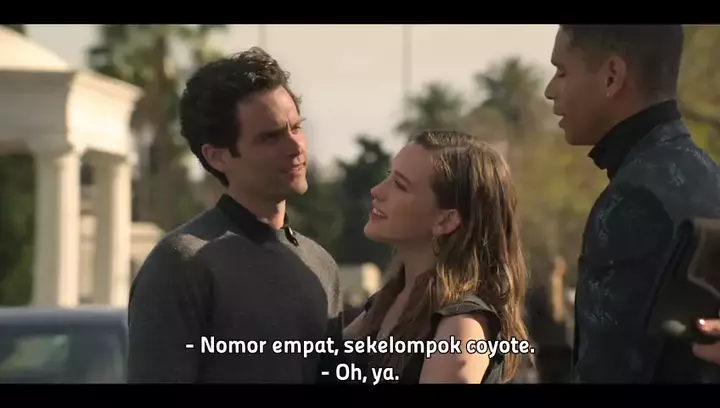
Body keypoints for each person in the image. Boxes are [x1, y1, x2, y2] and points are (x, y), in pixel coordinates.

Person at [127, 47, 342, 383]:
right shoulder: (182, 263)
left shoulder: (320, 266)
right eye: (270, 137)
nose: (295, 147)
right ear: (218, 157)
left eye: (296, 128)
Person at [544, 24, 720, 383]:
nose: (550, 90)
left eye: (562, 71)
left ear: (612, 76)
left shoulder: (634, 200)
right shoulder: (707, 174)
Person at [343, 130, 530, 384]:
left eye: (400, 185)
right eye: (389, 176)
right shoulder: (384, 303)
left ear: (446, 220)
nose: (377, 191)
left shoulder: (460, 328)